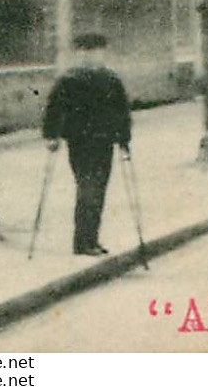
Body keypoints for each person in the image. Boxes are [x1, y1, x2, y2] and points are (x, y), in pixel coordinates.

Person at [42, 33, 132, 256]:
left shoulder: (111, 79)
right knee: (88, 188)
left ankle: (91, 239)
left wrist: (124, 139)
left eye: (96, 52)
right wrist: (51, 136)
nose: (91, 56)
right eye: (86, 52)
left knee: (98, 189)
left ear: (102, 53)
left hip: (104, 142)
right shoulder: (69, 80)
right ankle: (82, 243)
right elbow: (54, 109)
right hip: (80, 142)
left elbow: (122, 111)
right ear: (79, 54)